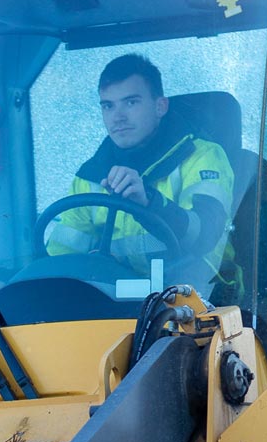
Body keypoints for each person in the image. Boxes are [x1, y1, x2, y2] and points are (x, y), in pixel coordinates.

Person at [45, 54, 235, 289]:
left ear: (160, 106)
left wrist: (149, 203)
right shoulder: (90, 176)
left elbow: (204, 234)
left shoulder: (202, 157)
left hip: (199, 307)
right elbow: (60, 255)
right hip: (114, 308)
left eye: (131, 102)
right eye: (108, 106)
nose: (118, 116)